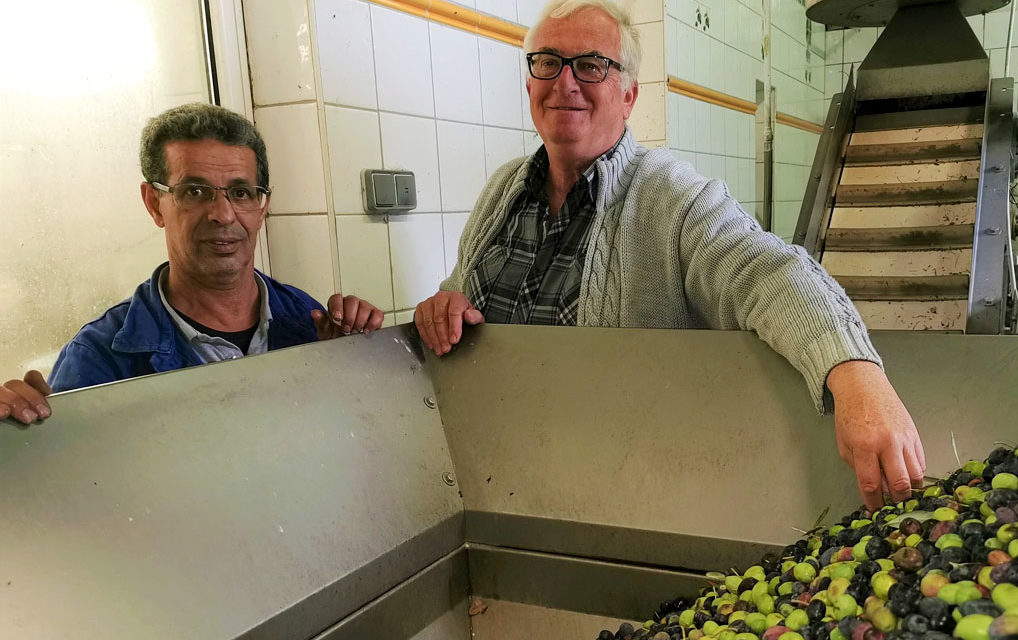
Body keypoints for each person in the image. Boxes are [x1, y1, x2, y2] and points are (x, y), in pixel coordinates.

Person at [413, 0, 926, 510]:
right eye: (548, 61)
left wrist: (855, 373)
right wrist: (443, 307)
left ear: (628, 94)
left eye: (591, 65)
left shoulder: (673, 199)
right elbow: (458, 295)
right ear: (530, 83)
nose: (565, 82)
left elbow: (767, 273)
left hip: (626, 495)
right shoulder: (501, 192)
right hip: (496, 488)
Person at [1, 103, 384, 424]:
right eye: (195, 191)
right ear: (154, 203)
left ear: (262, 206)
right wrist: (23, 444)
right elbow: (79, 496)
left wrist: (351, 366)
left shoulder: (308, 321)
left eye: (240, 192)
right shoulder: (101, 360)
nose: (223, 214)